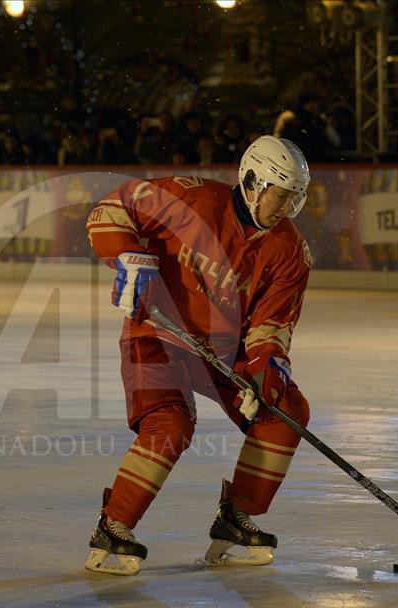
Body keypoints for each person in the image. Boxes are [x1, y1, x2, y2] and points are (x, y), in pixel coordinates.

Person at [84, 135, 313, 575]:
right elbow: (112, 208)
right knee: (170, 423)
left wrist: (265, 370)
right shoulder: (190, 198)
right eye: (281, 196)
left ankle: (235, 516)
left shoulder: (290, 251)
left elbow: (273, 323)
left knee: (285, 410)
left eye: (295, 199)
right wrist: (127, 255)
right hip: (158, 335)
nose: (286, 208)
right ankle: (113, 526)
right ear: (252, 182)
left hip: (222, 355)